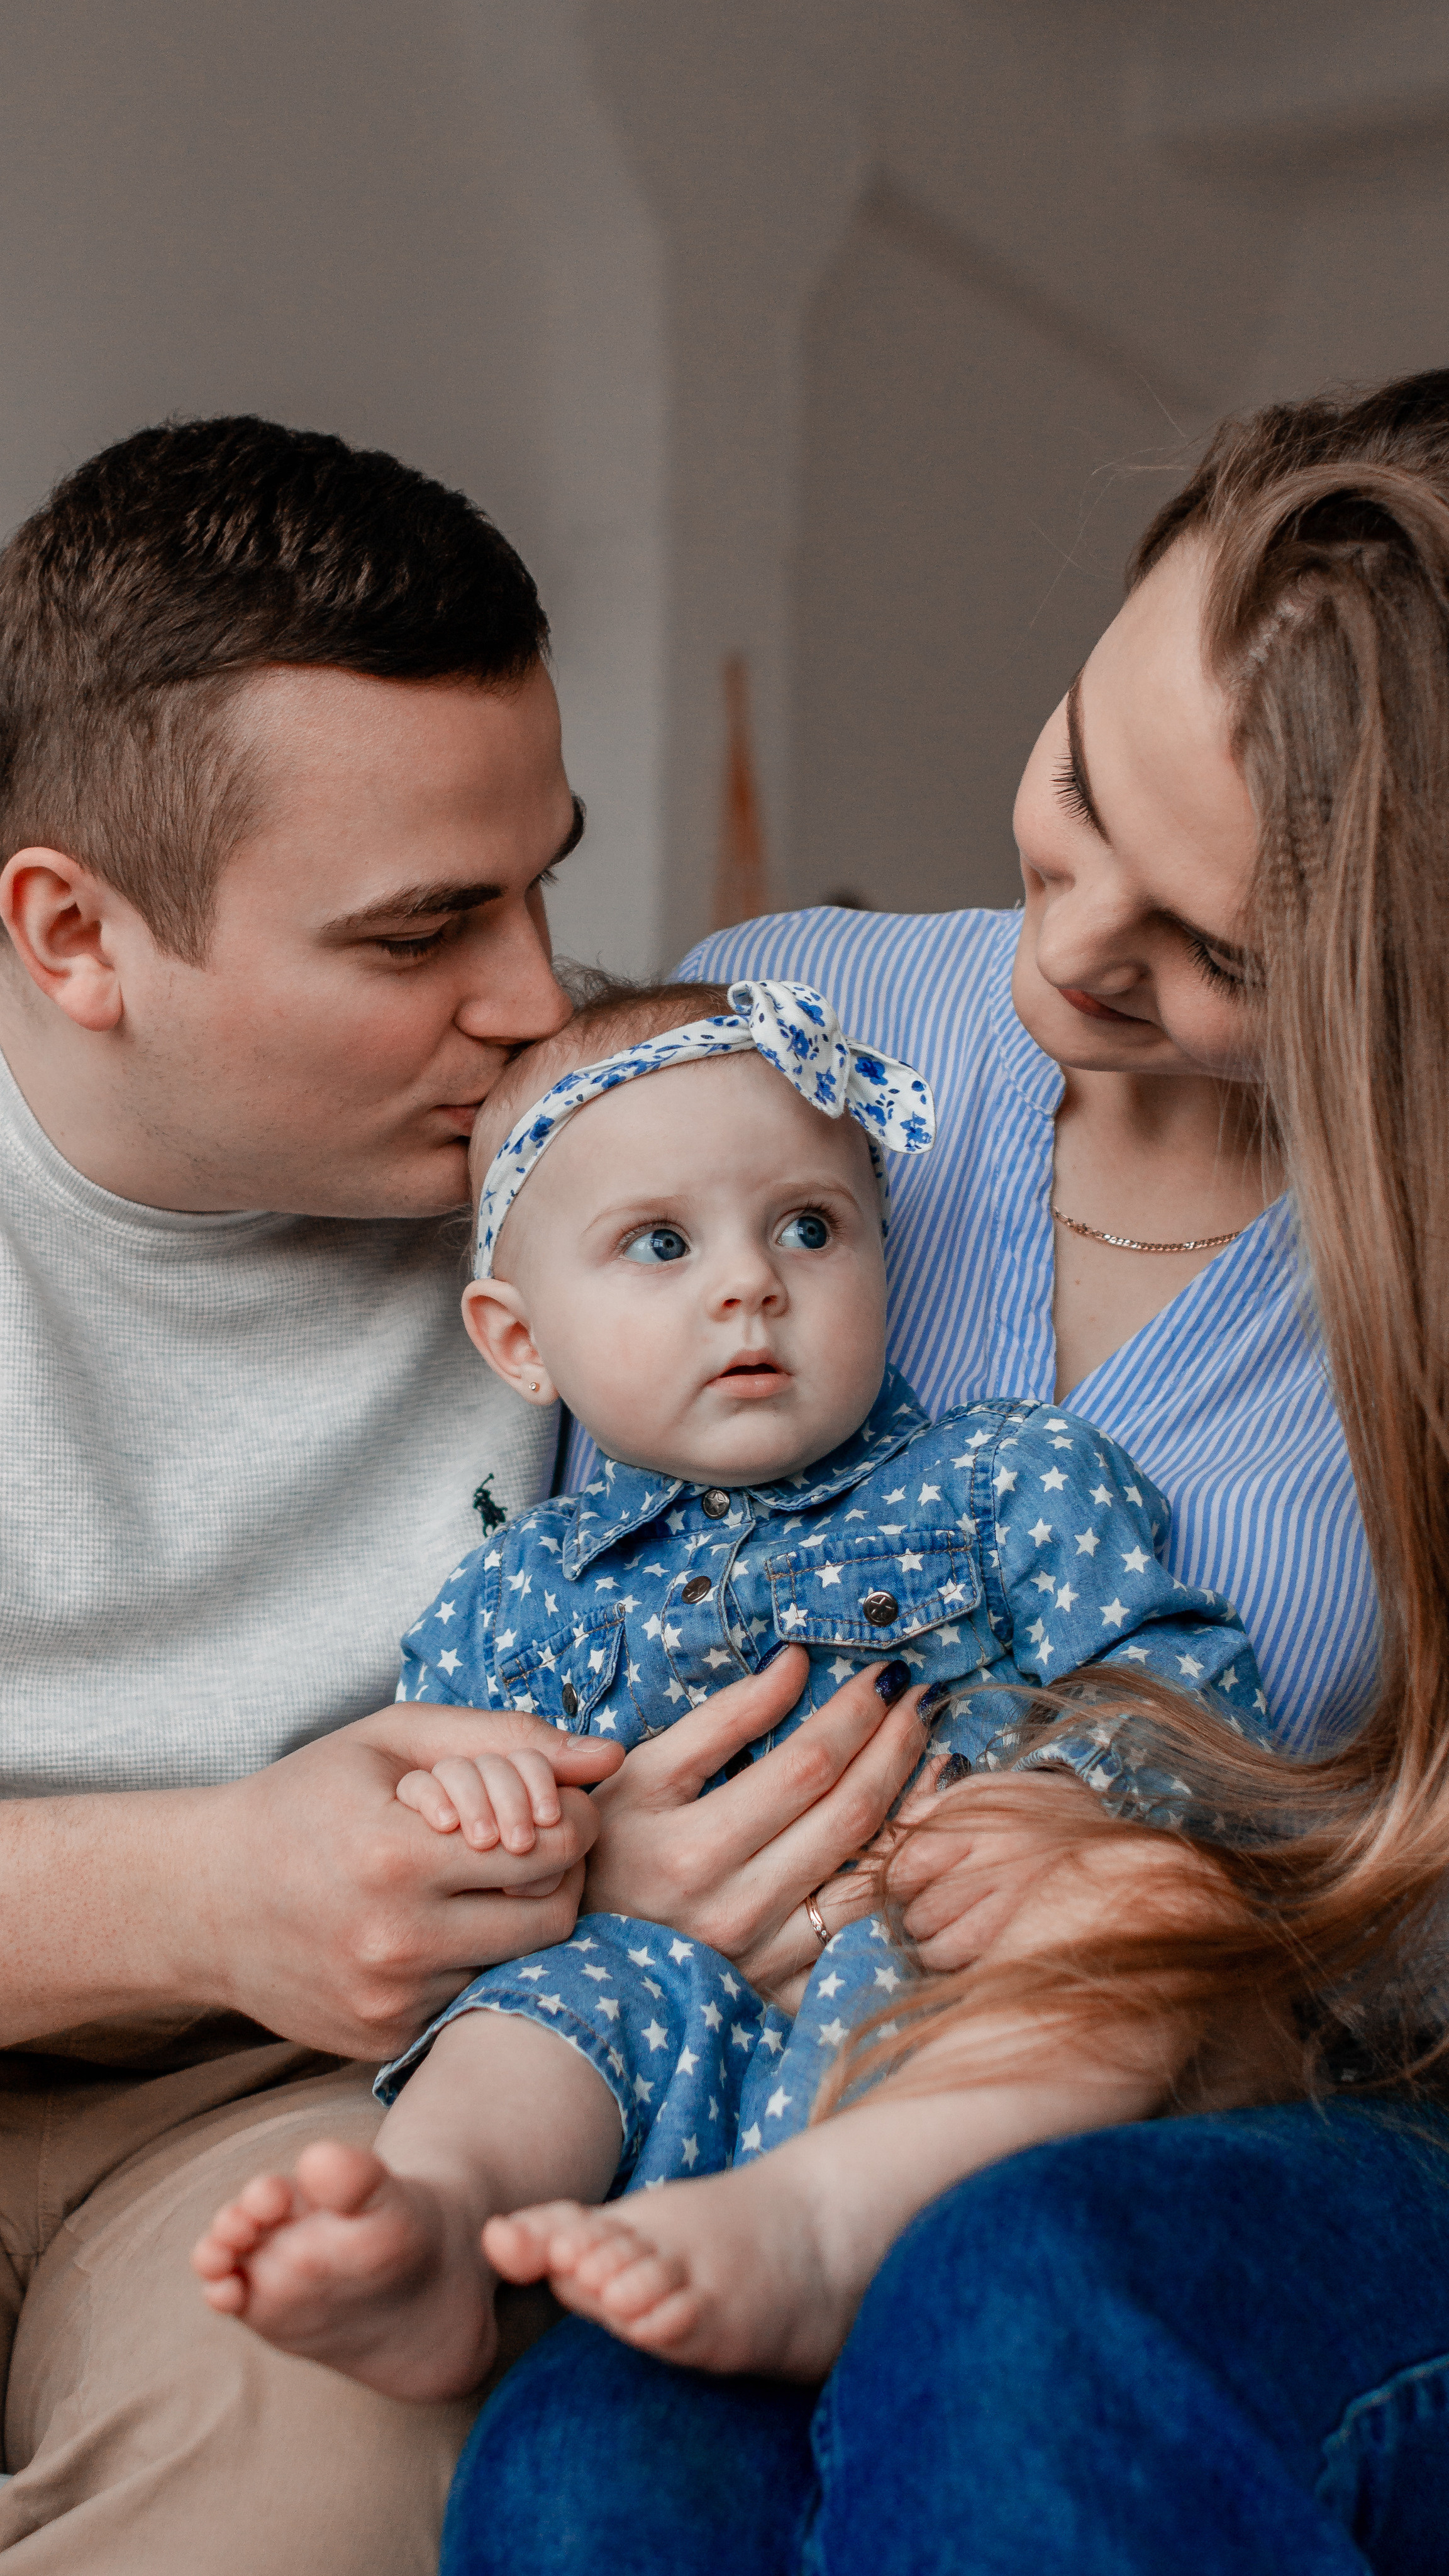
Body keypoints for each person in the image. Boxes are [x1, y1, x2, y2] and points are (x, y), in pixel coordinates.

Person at [442, 370, 1449, 2575]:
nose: (1071, 951)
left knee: (1018, 2308)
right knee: (586, 2457)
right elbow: (579, 1583)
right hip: (772, 2076)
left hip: (1290, 2111)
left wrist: (1230, 1928)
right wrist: (595, 1860)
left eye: (1222, 958)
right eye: (1078, 787)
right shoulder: (755, 1033)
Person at [0, 418, 923, 2573]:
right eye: (423, 930)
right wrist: (204, 1886)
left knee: (310, 2481)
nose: (533, 1003)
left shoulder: (637, 1157)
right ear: (73, 935)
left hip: (317, 2094)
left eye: (542, 883)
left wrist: (627, 1868)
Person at [189, 975, 1267, 2396]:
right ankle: (438, 2221)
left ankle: (834, 2220)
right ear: (521, 1340)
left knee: (1155, 1905)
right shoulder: (513, 1596)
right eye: (658, 1242)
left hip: (958, 1962)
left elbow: (1183, 1685)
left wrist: (1073, 1806)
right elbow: (429, 1834)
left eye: (810, 1227)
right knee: (526, 2015)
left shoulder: (1010, 1473)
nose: (751, 1280)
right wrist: (489, 1803)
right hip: (661, 2004)